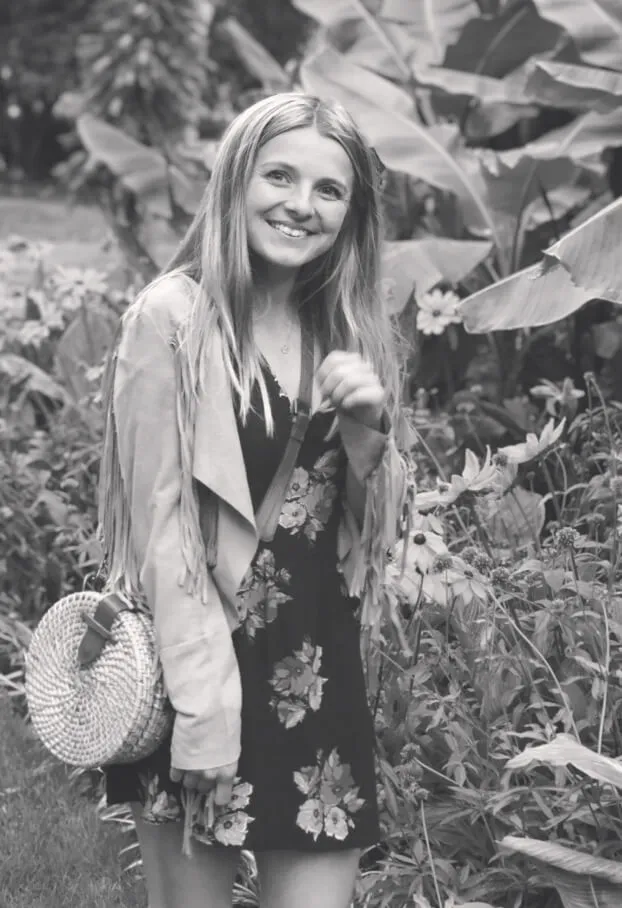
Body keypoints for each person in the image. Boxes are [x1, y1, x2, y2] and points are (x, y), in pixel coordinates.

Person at [98, 92, 413, 908]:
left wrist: (366, 425)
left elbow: (364, 538)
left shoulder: (344, 330)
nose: (300, 206)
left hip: (314, 676)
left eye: (329, 190)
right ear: (235, 181)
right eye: (279, 175)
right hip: (199, 673)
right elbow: (159, 530)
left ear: (352, 214)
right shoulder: (172, 320)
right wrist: (203, 714)